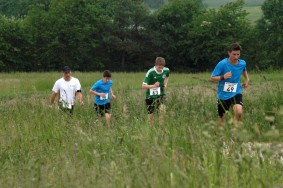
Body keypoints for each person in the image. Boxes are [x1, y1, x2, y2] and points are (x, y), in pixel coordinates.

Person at [210, 43, 249, 126]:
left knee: (239, 112)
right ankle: (217, 136)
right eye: (234, 54)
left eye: (238, 54)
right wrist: (223, 77)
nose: (236, 57)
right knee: (221, 118)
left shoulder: (242, 63)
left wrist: (247, 79)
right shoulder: (222, 64)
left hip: (236, 92)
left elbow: (244, 69)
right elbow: (212, 78)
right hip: (223, 95)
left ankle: (233, 135)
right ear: (229, 53)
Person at [142, 57, 170, 126]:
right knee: (151, 115)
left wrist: (166, 84)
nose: (161, 69)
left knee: (162, 111)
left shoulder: (166, 70)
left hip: (161, 94)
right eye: (159, 67)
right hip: (150, 95)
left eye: (162, 67)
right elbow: (143, 86)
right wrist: (153, 86)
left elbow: (167, 76)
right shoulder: (150, 72)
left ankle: (161, 127)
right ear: (155, 65)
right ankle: (151, 129)